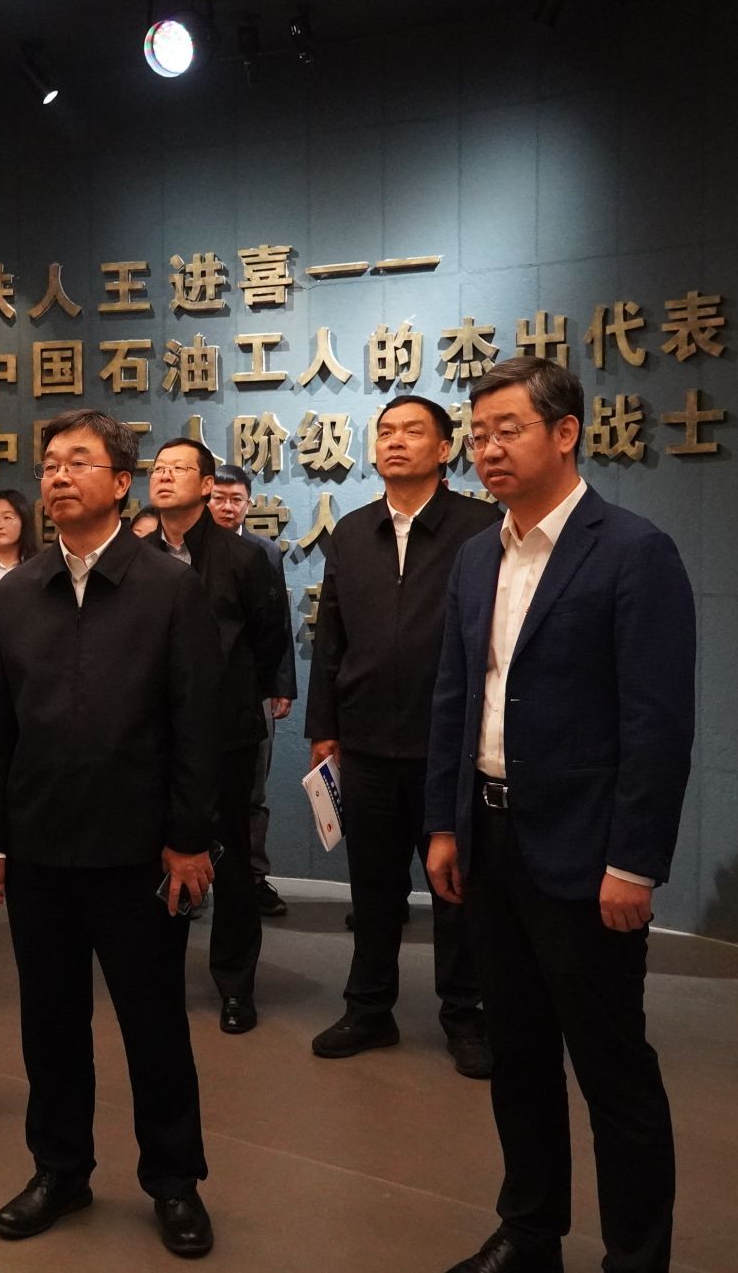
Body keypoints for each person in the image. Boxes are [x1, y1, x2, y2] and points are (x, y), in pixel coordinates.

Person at [424, 358, 696, 1273]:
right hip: (490, 839)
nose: (488, 449)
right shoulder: (477, 555)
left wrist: (634, 862)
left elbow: (656, 725)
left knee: (613, 1069)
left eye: (508, 429)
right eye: (479, 433)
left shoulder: (633, 551)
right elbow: (456, 697)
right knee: (519, 1054)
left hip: (585, 854)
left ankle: (635, 1258)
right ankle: (529, 1232)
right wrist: (446, 823)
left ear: (566, 432)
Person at [0, 409, 221, 1258]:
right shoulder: (16, 591)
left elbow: (197, 723)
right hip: (39, 846)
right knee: (50, 1021)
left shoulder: (168, 587)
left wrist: (188, 837)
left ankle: (174, 1179)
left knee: (154, 1023)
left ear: (120, 482)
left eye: (79, 461)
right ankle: (60, 1168)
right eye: (49, 463)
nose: (58, 475)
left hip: (139, 850)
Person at [304, 396, 499, 1077]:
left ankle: (465, 1014)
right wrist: (324, 726)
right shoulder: (352, 531)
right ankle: (369, 1008)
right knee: (373, 888)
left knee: (455, 889)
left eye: (413, 431)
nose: (395, 441)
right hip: (364, 742)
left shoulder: (480, 527)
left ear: (444, 449)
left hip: (450, 744)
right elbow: (331, 636)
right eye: (385, 431)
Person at [142, 439, 287, 1035]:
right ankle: (158, 978)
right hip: (151, 738)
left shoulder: (244, 557)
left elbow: (269, 640)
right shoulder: (135, 555)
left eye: (179, 469)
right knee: (154, 856)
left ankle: (235, 984)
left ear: (206, 486)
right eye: (158, 468)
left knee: (229, 861)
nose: (164, 476)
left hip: (225, 734)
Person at [207, 465, 295, 917]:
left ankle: (254, 877)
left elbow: (277, 625)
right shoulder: (190, 551)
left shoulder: (264, 552)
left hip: (253, 691)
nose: (227, 506)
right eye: (219, 498)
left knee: (253, 790)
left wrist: (280, 686)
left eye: (236, 499)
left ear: (248, 504)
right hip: (203, 693)